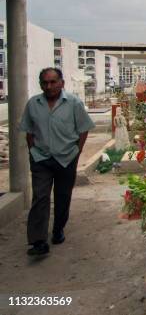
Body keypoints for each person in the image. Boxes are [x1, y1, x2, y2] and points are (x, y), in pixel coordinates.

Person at [19, 68, 95, 256]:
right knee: (41, 197)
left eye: (53, 82)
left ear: (62, 83)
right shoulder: (33, 104)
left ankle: (58, 229)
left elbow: (84, 129)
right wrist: (33, 152)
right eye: (45, 82)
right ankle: (38, 241)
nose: (49, 86)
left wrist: (77, 151)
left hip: (66, 158)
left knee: (62, 196)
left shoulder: (74, 103)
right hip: (41, 159)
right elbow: (28, 131)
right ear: (40, 84)